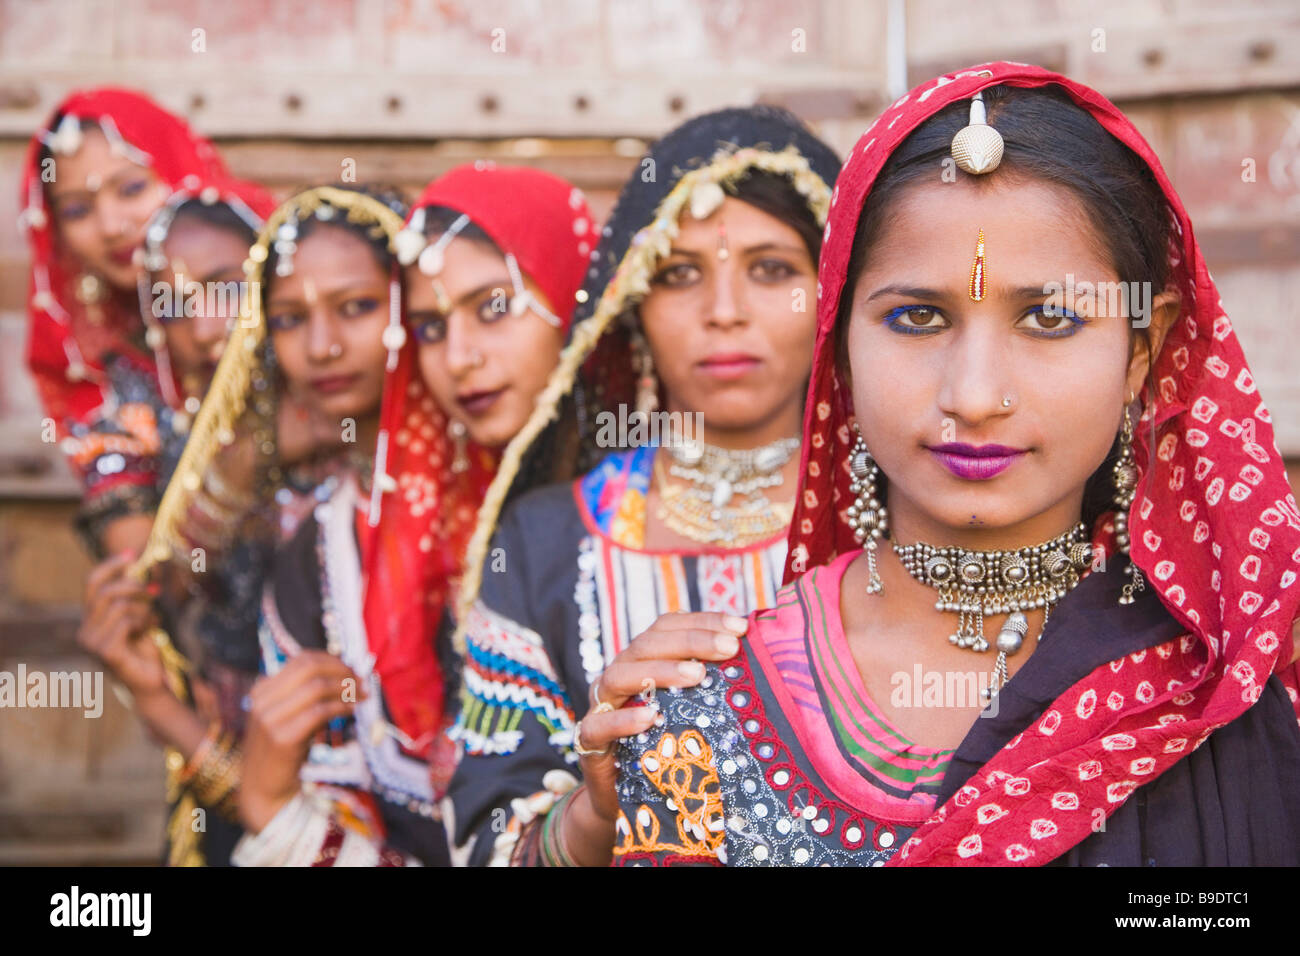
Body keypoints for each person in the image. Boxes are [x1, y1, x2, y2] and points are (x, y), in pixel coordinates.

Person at [612, 63, 1300, 867]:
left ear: (1142, 351)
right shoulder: (700, 708)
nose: (974, 396)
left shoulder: (1222, 682)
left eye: (1049, 317)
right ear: (839, 345)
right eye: (916, 317)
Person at [445, 106, 841, 866]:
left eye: (771, 270)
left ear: (833, 291)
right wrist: (597, 811)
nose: (723, 313)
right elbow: (481, 845)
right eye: (678, 273)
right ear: (632, 311)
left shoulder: (903, 517)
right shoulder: (547, 539)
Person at [226, 168, 596, 866]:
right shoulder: (328, 549)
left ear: (577, 298)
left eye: (493, 307)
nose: (459, 358)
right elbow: (340, 798)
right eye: (429, 326)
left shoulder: (655, 517)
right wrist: (270, 804)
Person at [74, 185, 274, 866]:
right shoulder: (133, 421)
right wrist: (238, 471)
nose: (207, 326)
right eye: (176, 306)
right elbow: (154, 590)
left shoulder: (333, 400)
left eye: (224, 288)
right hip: (217, 746)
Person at [20, 89, 265, 497]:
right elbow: (122, 501)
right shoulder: (97, 356)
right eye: (78, 211)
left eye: (131, 189)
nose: (112, 225)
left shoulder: (273, 277)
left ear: (181, 171)